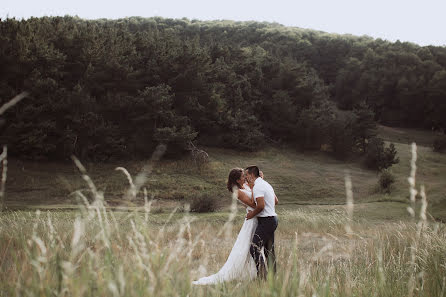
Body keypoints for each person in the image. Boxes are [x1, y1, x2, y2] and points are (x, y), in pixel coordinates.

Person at [192, 168, 259, 285]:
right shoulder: (237, 192)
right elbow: (253, 204)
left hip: (257, 217)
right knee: (246, 246)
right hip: (252, 219)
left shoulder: (246, 186)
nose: (245, 177)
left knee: (255, 246)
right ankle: (242, 272)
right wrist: (256, 191)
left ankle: (255, 272)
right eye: (243, 176)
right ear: (238, 180)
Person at [245, 165, 278, 279]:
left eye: (247, 175)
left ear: (252, 175)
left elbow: (261, 206)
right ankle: (272, 277)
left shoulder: (258, 186)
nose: (246, 177)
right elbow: (276, 201)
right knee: (269, 249)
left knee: (254, 248)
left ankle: (263, 276)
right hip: (272, 219)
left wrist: (251, 214)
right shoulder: (265, 184)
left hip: (266, 220)